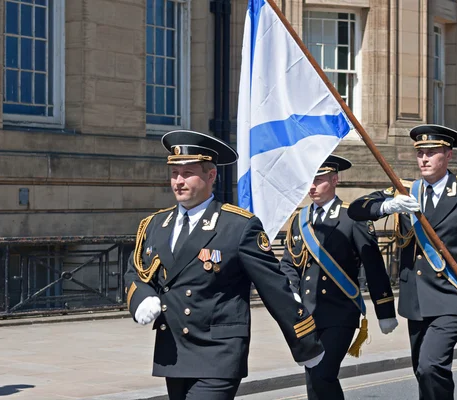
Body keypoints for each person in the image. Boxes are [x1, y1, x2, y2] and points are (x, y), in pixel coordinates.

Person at [124, 130, 324, 400]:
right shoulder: (156, 225)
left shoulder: (238, 226)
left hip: (219, 352)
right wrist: (142, 299)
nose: (179, 182)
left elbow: (274, 287)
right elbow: (135, 272)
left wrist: (305, 343)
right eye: (174, 174)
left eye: (188, 173)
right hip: (174, 351)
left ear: (211, 175)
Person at [347, 124, 457, 400]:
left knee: (430, 365)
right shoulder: (406, 191)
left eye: (432, 153)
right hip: (416, 298)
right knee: (424, 373)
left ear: (448, 155)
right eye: (420, 153)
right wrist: (386, 206)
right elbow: (356, 209)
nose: (424, 158)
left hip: (451, 295)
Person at [280, 155, 398, 400]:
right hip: (308, 313)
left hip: (340, 312)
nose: (312, 186)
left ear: (335, 180)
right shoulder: (298, 220)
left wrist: (385, 310)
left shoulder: (352, 217)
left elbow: (374, 264)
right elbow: (289, 263)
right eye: (309, 180)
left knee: (324, 374)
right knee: (313, 380)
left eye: (319, 180)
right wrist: (291, 291)